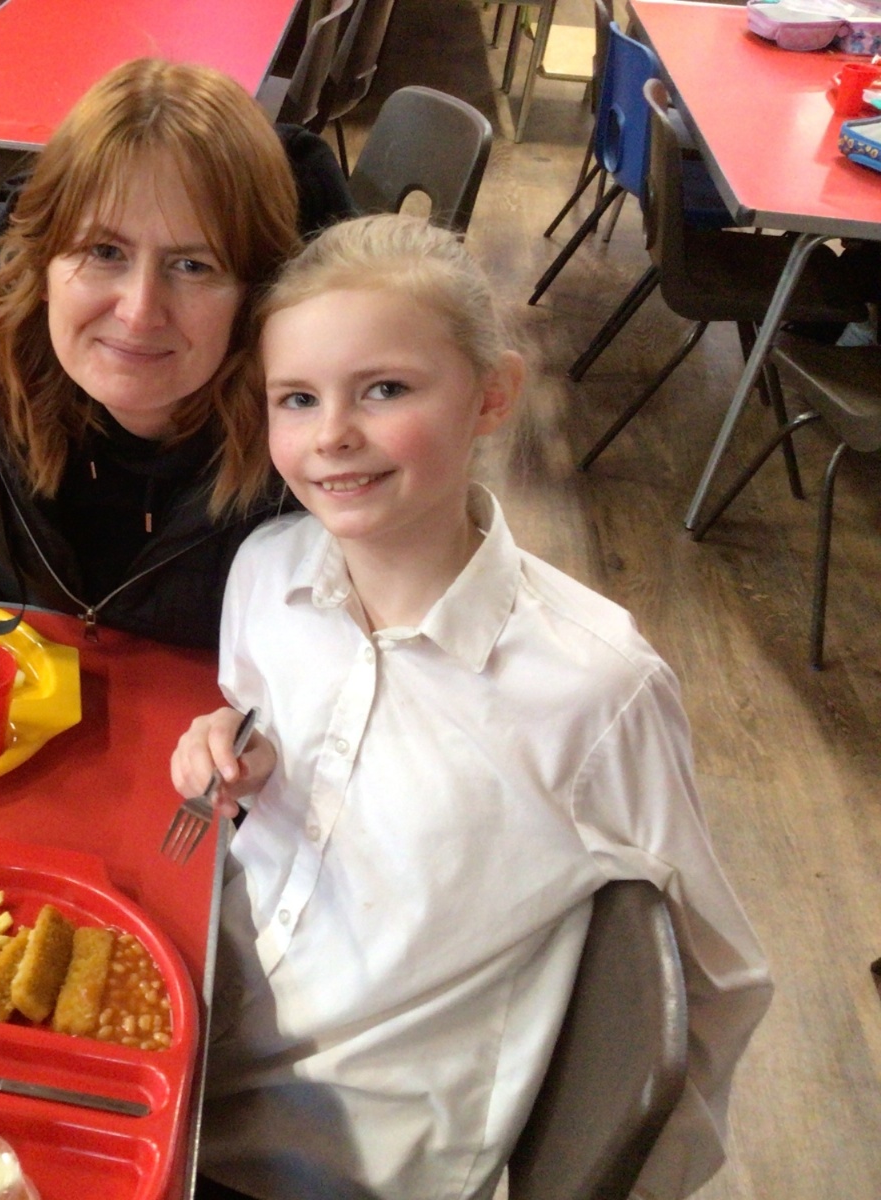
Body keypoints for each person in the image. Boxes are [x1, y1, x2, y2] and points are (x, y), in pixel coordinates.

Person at [170, 215, 772, 1200]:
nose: (331, 434)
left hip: (346, 1163)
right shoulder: (266, 571)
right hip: (185, 1044)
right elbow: (258, 722)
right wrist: (236, 746)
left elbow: (714, 988)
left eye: (385, 389)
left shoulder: (593, 690)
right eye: (297, 398)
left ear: (491, 395)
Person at [0, 58, 352, 649]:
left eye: (192, 265)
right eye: (105, 252)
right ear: (43, 261)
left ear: (255, 294)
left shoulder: (322, 430)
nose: (139, 312)